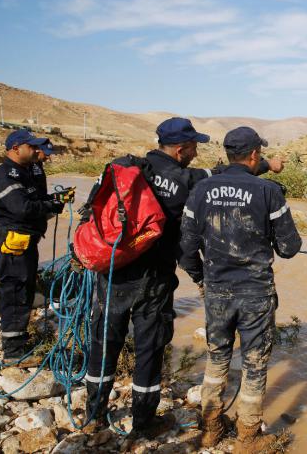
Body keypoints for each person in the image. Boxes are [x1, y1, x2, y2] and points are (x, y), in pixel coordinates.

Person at [82, 117, 212, 436]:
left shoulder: (126, 167)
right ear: (181, 149)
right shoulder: (183, 181)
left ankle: (94, 417)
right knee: (149, 350)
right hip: (154, 277)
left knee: (103, 343)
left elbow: (92, 211)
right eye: (194, 146)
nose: (196, 151)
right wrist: (200, 275)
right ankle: (143, 423)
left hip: (113, 270)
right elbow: (185, 241)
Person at [180, 126, 301, 451]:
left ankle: (210, 429)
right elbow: (290, 247)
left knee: (217, 358)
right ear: (253, 156)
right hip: (256, 295)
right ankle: (248, 437)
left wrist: (202, 279)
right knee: (255, 362)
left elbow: (186, 248)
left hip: (217, 292)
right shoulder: (268, 191)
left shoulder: (201, 190)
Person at [0, 130, 70, 363]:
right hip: (13, 244)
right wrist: (51, 204)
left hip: (24, 241)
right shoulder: (4, 175)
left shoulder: (26, 171)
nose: (36, 151)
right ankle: (14, 353)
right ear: (15, 148)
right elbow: (23, 208)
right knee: (14, 295)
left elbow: (35, 204)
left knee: (23, 292)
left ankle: (18, 343)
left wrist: (55, 202)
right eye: (31, 147)